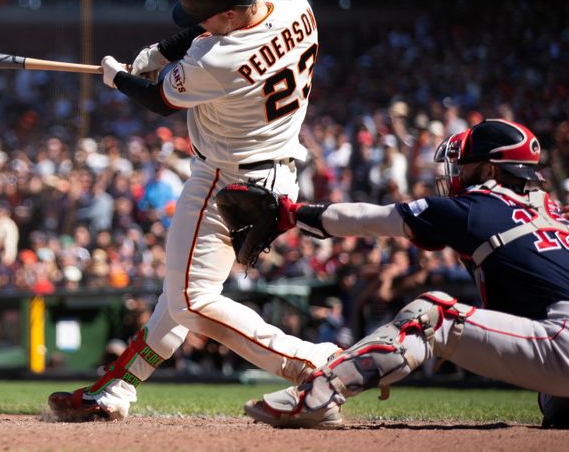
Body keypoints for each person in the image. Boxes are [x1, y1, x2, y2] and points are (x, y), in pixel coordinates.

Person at [49, 0, 339, 422]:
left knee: (189, 299)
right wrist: (158, 53)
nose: (199, 24)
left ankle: (317, 364)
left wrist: (118, 77)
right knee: (182, 291)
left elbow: (158, 100)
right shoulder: (291, 1)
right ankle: (115, 388)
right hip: (277, 170)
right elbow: (201, 33)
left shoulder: (217, 60)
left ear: (228, 14)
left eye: (207, 15)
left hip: (227, 177)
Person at [241, 119, 569, 428]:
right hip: (558, 346)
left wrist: (291, 214)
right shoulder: (557, 212)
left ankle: (319, 395)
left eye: (467, 163)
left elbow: (366, 218)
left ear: (490, 168)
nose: (458, 171)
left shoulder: (478, 208)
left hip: (563, 341)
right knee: (555, 404)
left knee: (432, 316)